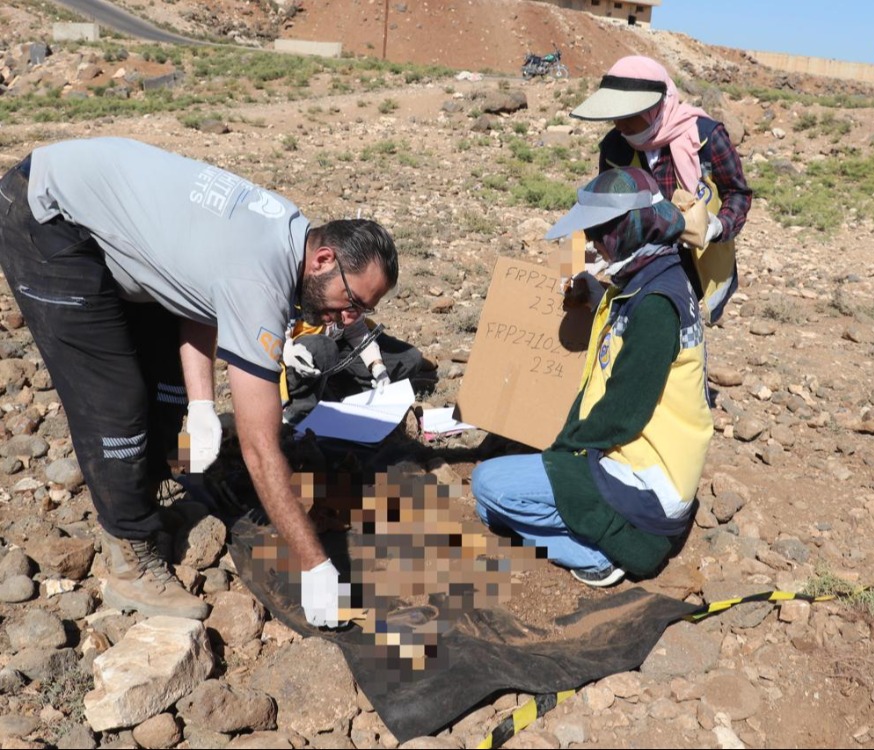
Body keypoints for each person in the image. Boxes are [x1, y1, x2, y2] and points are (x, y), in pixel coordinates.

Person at [0, 137, 398, 627]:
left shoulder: (289, 231)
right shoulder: (261, 279)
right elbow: (258, 446)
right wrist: (315, 567)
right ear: (324, 260)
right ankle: (128, 554)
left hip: (98, 208)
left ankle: (144, 493)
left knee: (166, 379)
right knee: (115, 400)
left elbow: (204, 294)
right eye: (352, 302)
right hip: (48, 218)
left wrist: (203, 405)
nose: (347, 320)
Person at [471, 167, 713, 587]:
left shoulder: (656, 305)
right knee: (489, 508)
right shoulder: (658, 274)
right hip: (642, 464)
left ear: (628, 229)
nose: (596, 244)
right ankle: (596, 526)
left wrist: (563, 449)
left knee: (488, 487)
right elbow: (630, 329)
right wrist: (598, 295)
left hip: (645, 482)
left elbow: (624, 413)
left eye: (600, 231)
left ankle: (608, 551)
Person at [571, 55, 752, 324]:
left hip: (694, 260)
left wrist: (719, 226)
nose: (621, 125)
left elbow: (737, 193)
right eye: (616, 116)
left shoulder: (706, 138)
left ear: (655, 107)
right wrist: (584, 253)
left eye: (629, 115)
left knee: (667, 323)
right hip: (640, 259)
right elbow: (603, 206)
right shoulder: (615, 147)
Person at [280, 311, 431, 425]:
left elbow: (357, 330)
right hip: (303, 354)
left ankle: (340, 392)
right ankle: (297, 412)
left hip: (339, 352)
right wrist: (285, 347)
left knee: (410, 359)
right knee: (325, 349)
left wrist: (377, 366)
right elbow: (270, 329)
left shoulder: (353, 288)